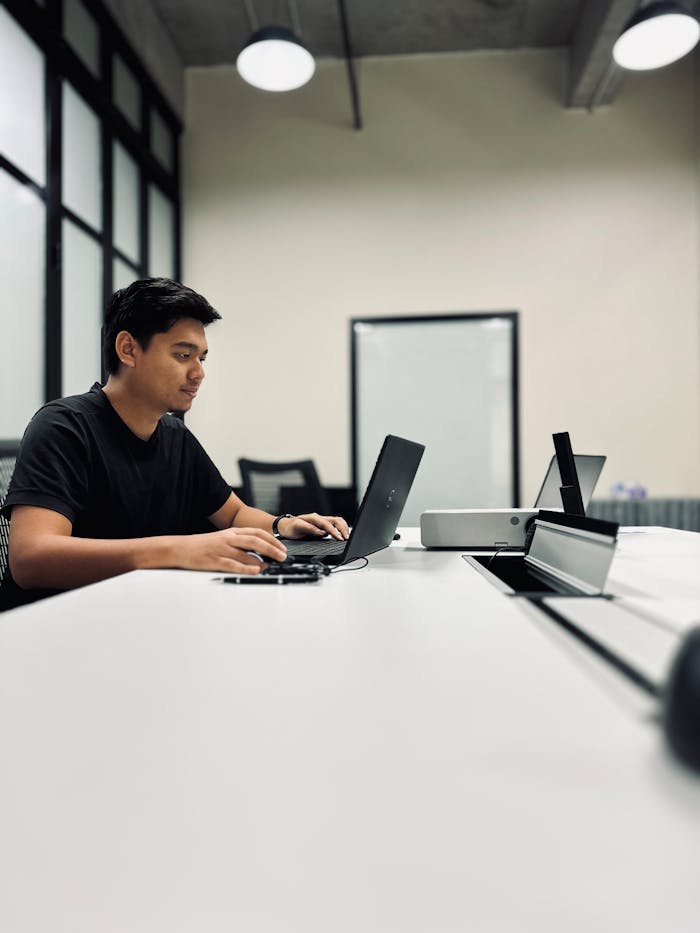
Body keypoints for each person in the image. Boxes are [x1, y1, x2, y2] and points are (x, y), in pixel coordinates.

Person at [0, 278, 348, 611]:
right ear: (128, 349)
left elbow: (234, 514)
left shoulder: (174, 435)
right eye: (184, 356)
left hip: (140, 616)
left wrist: (282, 525)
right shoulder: (65, 427)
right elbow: (30, 559)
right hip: (56, 629)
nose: (199, 373)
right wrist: (178, 550)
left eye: (202, 359)